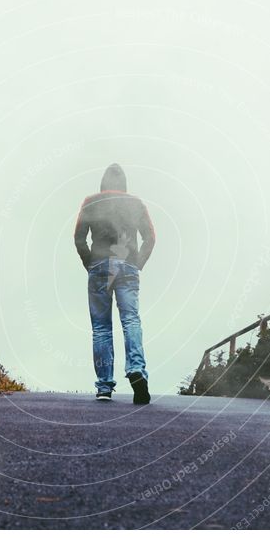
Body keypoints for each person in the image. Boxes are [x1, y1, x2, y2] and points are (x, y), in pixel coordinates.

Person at [74, 163, 155, 404]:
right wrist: (137, 263)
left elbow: (78, 238)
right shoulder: (136, 203)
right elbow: (150, 237)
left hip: (99, 265)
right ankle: (136, 370)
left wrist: (91, 263)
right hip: (127, 265)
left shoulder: (90, 201)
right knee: (131, 319)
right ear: (124, 184)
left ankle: (104, 387)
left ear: (103, 182)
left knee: (101, 328)